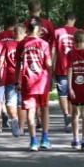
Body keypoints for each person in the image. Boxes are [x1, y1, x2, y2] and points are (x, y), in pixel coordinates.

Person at [18, 17, 53, 150]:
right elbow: (48, 64)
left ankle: (33, 141)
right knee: (44, 109)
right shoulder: (43, 44)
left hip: (27, 81)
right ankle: (45, 138)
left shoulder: (22, 43)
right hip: (42, 82)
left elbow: (18, 64)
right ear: (39, 29)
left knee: (30, 112)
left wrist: (17, 81)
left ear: (27, 29)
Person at [51, 12, 78, 131]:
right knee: (72, 94)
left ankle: (66, 115)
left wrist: (51, 66)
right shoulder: (78, 32)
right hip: (76, 66)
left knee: (62, 93)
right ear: (75, 20)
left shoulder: (57, 32)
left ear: (64, 19)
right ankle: (71, 118)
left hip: (61, 66)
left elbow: (53, 50)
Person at [0, 17, 23, 135]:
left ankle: (14, 119)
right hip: (24, 77)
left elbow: (1, 60)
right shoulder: (26, 44)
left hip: (9, 77)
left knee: (10, 102)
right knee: (21, 103)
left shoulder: (7, 44)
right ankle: (21, 126)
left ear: (14, 33)